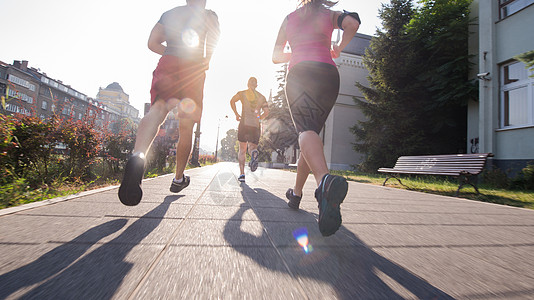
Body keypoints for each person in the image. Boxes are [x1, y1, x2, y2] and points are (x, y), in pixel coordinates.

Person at [118, 0, 220, 206]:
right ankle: (178, 178)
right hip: (193, 69)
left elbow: (152, 43)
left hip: (169, 62)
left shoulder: (170, 13)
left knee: (157, 110)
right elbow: (211, 48)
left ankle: (137, 156)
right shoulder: (210, 16)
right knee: (186, 126)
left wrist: (171, 54)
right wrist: (203, 61)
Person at [272, 0, 360, 236]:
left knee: (306, 132)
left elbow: (276, 56)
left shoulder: (289, 18)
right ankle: (297, 194)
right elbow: (352, 23)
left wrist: (297, 51)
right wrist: (339, 47)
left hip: (301, 73)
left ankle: (324, 183)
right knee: (311, 136)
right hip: (329, 75)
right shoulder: (330, 14)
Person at [230, 77, 269, 182]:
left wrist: (236, 114)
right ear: (256, 85)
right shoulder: (262, 97)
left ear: (248, 84)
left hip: (244, 124)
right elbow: (266, 112)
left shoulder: (242, 93)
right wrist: (258, 118)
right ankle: (253, 153)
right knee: (252, 148)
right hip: (255, 126)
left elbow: (232, 101)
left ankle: (242, 174)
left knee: (242, 150)